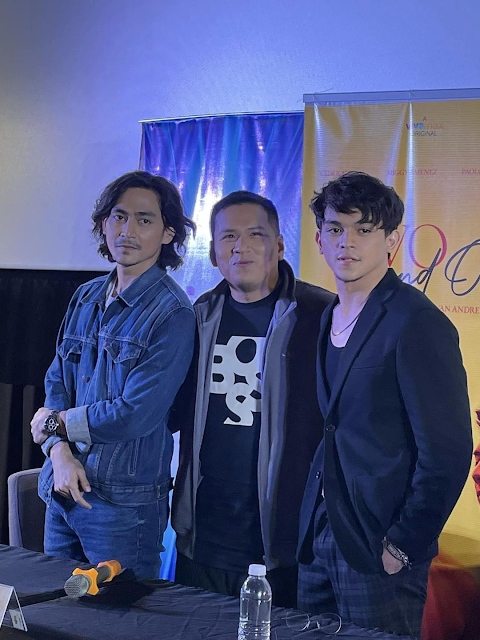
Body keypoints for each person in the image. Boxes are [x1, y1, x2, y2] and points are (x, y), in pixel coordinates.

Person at [297, 171, 472, 637]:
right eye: (336, 228)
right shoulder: (328, 315)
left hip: (379, 544)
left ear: (392, 240)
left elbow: (448, 452)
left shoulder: (417, 322)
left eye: (364, 229)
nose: (347, 242)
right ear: (319, 239)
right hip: (318, 535)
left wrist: (402, 546)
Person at [170, 190, 334, 607]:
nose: (240, 247)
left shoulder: (321, 314)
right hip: (203, 536)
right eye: (228, 237)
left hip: (287, 542)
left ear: (278, 245)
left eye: (255, 235)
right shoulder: (197, 315)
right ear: (213, 253)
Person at [31, 171, 196, 578]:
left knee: (121, 613)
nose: (127, 230)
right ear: (104, 224)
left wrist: (54, 423)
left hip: (121, 507)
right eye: (118, 216)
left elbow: (135, 413)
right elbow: (56, 381)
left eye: (144, 219)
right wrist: (59, 452)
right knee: (54, 608)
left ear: (168, 233)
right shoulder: (85, 296)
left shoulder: (173, 312)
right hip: (60, 487)